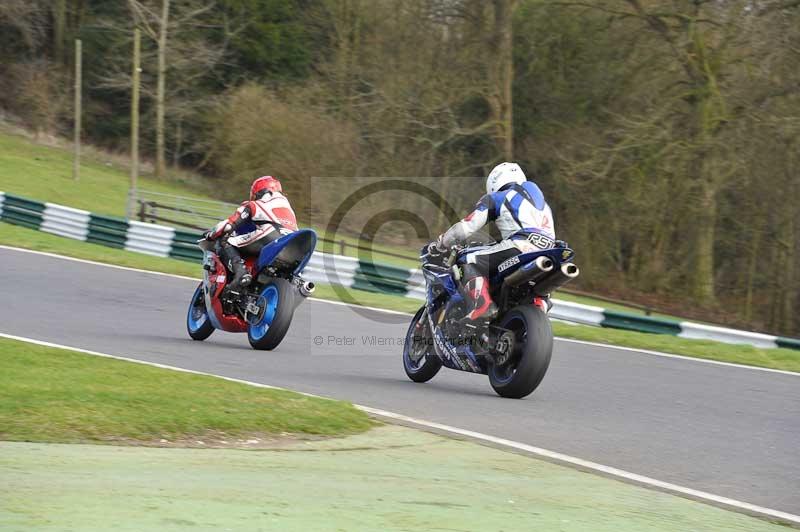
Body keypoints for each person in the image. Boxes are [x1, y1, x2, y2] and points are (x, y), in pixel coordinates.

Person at [430, 162, 562, 322]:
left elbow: (465, 228)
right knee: (541, 286)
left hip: (521, 246)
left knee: (467, 259)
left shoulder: (498, 197)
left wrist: (441, 243)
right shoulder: (543, 204)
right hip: (550, 251)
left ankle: (482, 304)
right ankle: (540, 306)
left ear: (494, 183)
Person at [204, 176, 298, 290]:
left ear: (258, 193)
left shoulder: (255, 204)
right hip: (293, 242)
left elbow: (228, 225)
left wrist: (211, 234)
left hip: (271, 235)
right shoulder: (289, 209)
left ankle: (240, 273)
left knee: (225, 241)